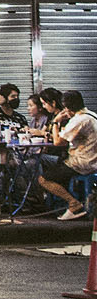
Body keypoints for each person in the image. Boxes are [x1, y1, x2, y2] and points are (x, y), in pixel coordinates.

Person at [37, 90, 97, 220]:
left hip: (82, 163)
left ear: (67, 108)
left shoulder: (78, 120)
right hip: (93, 160)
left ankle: (73, 203)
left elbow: (58, 142)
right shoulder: (92, 115)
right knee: (56, 165)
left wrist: (55, 122)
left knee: (43, 179)